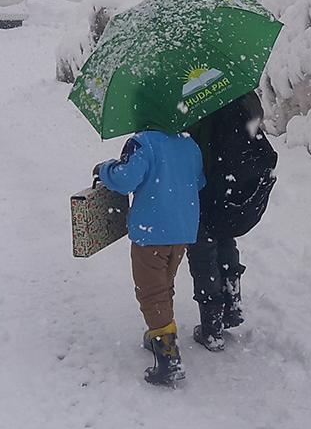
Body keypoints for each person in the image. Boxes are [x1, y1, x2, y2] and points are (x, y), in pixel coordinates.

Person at [95, 129, 205, 386]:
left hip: (152, 231)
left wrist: (105, 169)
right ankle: (159, 333)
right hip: (182, 228)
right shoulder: (189, 142)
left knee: (150, 291)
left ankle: (169, 359)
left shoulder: (143, 143)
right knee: (164, 283)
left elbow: (125, 180)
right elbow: (198, 180)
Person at [186, 90, 278, 352]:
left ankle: (212, 327)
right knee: (225, 236)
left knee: (202, 251)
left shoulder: (191, 96)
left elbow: (191, 143)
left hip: (205, 183)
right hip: (233, 183)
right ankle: (231, 304)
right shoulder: (237, 89)